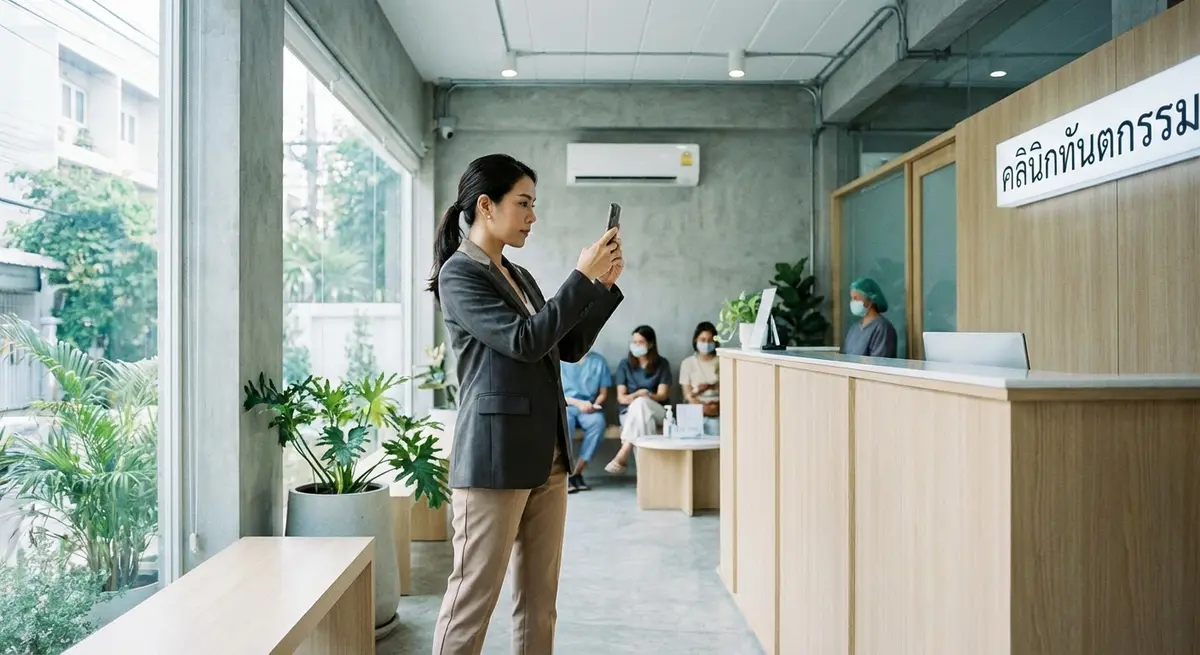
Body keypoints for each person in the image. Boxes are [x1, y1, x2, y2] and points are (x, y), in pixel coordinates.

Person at [428, 153, 625, 655]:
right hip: (494, 461)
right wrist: (579, 278)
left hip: (548, 456)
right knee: (471, 602)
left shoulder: (519, 275)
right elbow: (523, 341)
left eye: (533, 204)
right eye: (524, 203)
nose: (533, 216)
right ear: (486, 206)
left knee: (539, 603)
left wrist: (599, 287)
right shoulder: (460, 275)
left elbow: (568, 346)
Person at [604, 325, 672, 474]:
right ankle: (647, 475)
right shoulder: (624, 365)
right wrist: (637, 395)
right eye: (634, 342)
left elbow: (662, 395)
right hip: (629, 413)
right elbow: (621, 398)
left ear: (651, 344)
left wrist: (645, 395)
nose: (636, 345)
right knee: (642, 417)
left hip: (657, 411)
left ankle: (625, 451)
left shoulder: (662, 364)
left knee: (642, 405)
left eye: (640, 342)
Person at [560, 350, 612, 492]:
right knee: (563, 425)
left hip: (589, 408)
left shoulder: (598, 361)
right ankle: (566, 475)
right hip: (566, 405)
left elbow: (603, 393)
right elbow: (555, 392)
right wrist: (577, 403)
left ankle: (577, 472)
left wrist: (593, 405)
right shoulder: (560, 360)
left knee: (598, 422)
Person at [679, 321, 720, 436]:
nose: (706, 343)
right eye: (702, 340)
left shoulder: (722, 362)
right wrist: (702, 408)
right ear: (695, 340)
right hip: (695, 409)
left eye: (710, 340)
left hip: (717, 409)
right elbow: (687, 395)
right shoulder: (687, 363)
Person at [842, 276, 898, 358]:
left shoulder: (882, 328)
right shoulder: (854, 328)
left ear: (871, 299)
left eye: (856, 298)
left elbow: (878, 365)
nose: (852, 302)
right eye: (852, 299)